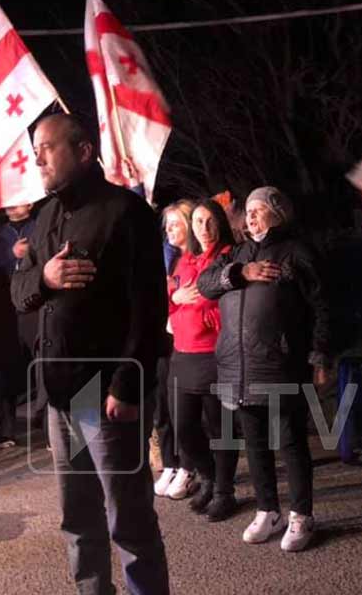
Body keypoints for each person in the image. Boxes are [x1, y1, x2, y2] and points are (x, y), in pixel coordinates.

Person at [11, 113, 170, 594]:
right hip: (60, 394)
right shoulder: (45, 216)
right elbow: (19, 291)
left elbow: (148, 309)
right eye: (35, 147)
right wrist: (45, 279)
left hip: (103, 396)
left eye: (47, 146)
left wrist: (127, 386)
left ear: (83, 151)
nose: (36, 156)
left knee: (128, 517)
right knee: (78, 517)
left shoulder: (127, 213)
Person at [198, 186, 329, 552]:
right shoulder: (237, 254)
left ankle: (301, 515)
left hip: (281, 363)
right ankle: (268, 509)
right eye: (249, 210)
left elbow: (321, 305)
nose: (251, 215)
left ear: (279, 214)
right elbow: (205, 285)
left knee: (290, 441)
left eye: (260, 209)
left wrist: (319, 355)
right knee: (254, 443)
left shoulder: (297, 252)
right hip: (239, 366)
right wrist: (242, 272)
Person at [167, 198, 240, 521]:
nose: (204, 228)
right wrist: (174, 296)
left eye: (210, 221)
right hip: (182, 353)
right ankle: (207, 477)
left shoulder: (228, 257)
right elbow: (169, 303)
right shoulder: (184, 261)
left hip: (213, 354)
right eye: (198, 222)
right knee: (184, 428)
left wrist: (201, 306)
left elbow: (225, 299)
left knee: (219, 428)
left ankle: (224, 490)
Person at [0, 203, 40, 456]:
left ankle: (49, 429)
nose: (12, 205)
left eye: (19, 198)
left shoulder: (40, 227)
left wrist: (29, 255)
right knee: (6, 369)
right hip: (4, 311)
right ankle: (6, 431)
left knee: (43, 365)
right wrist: (12, 254)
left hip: (34, 309)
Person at [153, 200, 200, 501]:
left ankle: (189, 465)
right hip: (162, 337)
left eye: (175, 224)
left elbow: (194, 298)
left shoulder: (195, 259)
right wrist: (172, 293)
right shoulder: (166, 257)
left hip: (189, 342)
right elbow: (159, 295)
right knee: (161, 405)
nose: (169, 230)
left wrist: (175, 295)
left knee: (185, 409)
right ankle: (169, 462)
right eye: (166, 225)